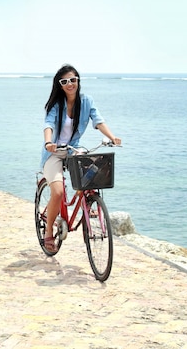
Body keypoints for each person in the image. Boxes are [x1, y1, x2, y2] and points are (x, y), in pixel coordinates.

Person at [40, 64, 121, 252]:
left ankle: (86, 200)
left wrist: (112, 138)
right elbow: (48, 125)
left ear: (78, 81)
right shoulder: (56, 106)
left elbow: (98, 121)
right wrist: (48, 142)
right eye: (65, 81)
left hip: (72, 149)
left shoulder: (86, 101)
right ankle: (49, 232)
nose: (70, 84)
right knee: (58, 193)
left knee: (94, 168)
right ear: (60, 85)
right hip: (53, 152)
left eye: (73, 80)